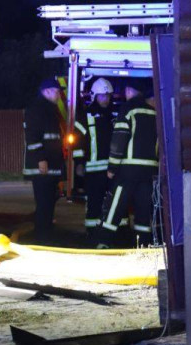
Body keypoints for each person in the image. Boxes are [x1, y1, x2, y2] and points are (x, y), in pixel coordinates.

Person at [98, 78, 158, 247]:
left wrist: (112, 167)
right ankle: (144, 245)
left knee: (115, 205)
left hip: (128, 170)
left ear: (129, 91)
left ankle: (104, 241)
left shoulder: (128, 109)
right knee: (144, 209)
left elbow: (119, 139)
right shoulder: (154, 112)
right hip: (149, 171)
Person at [73, 77, 115, 243]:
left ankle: (114, 235)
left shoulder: (113, 115)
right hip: (93, 170)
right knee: (94, 203)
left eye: (108, 96)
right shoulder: (86, 116)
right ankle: (92, 235)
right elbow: (77, 141)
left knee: (113, 204)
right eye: (102, 96)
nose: (106, 99)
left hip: (112, 170)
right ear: (95, 96)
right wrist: (79, 163)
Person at [23, 77, 65, 244]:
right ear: (46, 92)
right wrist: (41, 159)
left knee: (48, 203)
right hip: (42, 166)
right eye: (56, 92)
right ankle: (42, 237)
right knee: (43, 203)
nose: (59, 95)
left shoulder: (49, 109)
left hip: (50, 165)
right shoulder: (37, 109)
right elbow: (32, 137)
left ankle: (46, 234)